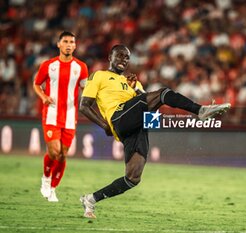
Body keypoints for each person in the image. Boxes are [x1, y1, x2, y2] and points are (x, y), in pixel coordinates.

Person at [79, 44, 230, 218]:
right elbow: (84, 106)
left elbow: (149, 107)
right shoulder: (99, 76)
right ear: (110, 57)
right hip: (118, 117)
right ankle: (201, 110)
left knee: (133, 178)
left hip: (135, 127)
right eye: (119, 56)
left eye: (127, 57)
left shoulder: (132, 82)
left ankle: (90, 199)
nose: (123, 60)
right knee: (163, 92)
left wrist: (136, 88)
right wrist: (105, 125)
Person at [33, 31, 88, 202]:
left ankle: (53, 189)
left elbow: (85, 89)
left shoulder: (81, 67)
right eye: (65, 41)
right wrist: (43, 97)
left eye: (72, 41)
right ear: (58, 44)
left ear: (75, 45)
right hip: (51, 114)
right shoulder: (48, 65)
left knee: (63, 155)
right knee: (54, 151)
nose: (69, 44)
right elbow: (36, 84)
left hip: (71, 116)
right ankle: (46, 178)